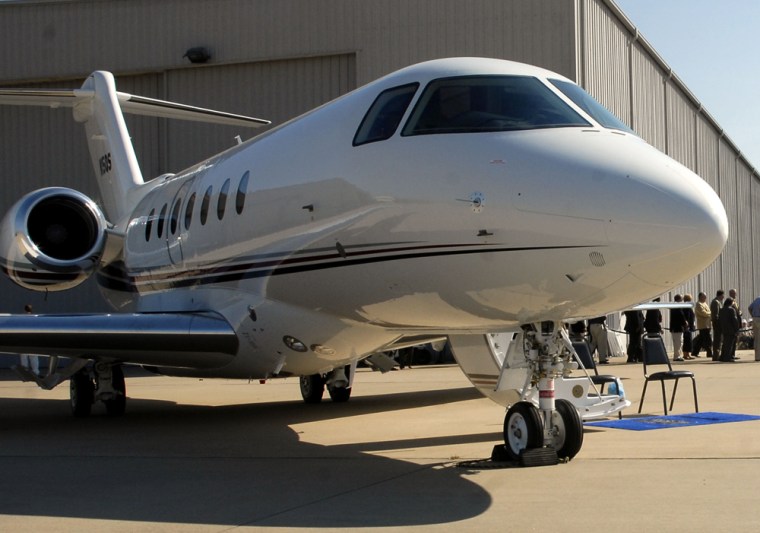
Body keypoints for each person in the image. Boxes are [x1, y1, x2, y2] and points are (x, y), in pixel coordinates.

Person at [18, 304, 40, 376]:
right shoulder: (35, 318)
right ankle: (36, 371)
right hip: (32, 339)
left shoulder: (21, 319)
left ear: (24, 310)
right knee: (33, 356)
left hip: (23, 339)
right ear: (31, 310)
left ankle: (25, 372)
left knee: (24, 357)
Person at [692, 292, 713, 360]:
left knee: (701, 339)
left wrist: (709, 313)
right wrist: (710, 314)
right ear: (700, 297)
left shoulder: (705, 304)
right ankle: (709, 352)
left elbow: (708, 312)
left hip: (707, 324)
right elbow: (703, 313)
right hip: (703, 324)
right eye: (704, 296)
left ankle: (695, 352)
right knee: (707, 339)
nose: (705, 298)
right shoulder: (698, 304)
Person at [719, 297, 740, 362]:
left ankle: (722, 356)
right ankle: (727, 357)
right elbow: (734, 320)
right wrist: (737, 329)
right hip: (731, 329)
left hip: (724, 329)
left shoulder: (722, 310)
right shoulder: (731, 310)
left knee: (725, 343)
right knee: (730, 344)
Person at [669, 294, 687, 361]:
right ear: (679, 299)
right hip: (677, 328)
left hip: (674, 327)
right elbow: (681, 315)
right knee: (678, 342)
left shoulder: (673, 306)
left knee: (677, 342)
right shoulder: (678, 306)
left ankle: (678, 355)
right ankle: (677, 356)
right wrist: (685, 322)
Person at [710, 290, 725, 361]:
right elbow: (716, 314)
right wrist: (718, 322)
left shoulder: (718, 302)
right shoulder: (715, 302)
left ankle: (717, 354)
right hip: (717, 323)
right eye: (723, 295)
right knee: (717, 339)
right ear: (720, 295)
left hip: (718, 323)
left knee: (719, 340)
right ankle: (716, 355)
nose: (723, 297)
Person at [748, 294, 760, 361]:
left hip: (755, 319)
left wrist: (752, 315)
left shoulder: (757, 299)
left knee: (756, 338)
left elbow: (749, 308)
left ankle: (757, 357)